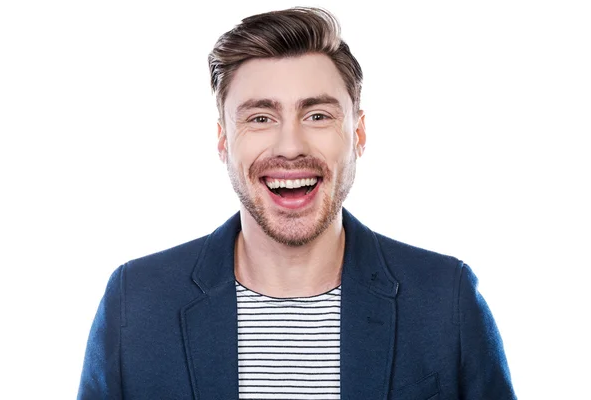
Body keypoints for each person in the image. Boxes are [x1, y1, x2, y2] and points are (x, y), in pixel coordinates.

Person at [78, 7, 516, 399]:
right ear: (223, 140)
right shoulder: (136, 301)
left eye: (318, 115)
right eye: (260, 118)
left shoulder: (445, 298)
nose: (290, 146)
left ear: (358, 135)